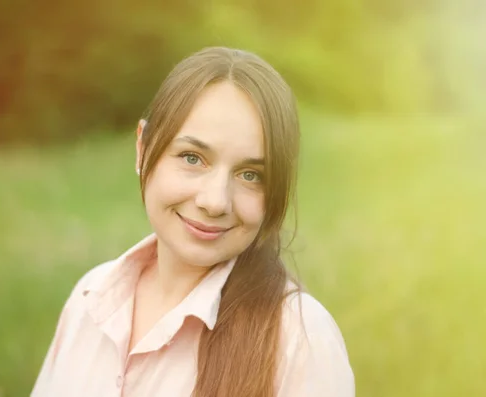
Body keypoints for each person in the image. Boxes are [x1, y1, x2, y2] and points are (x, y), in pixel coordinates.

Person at [31, 47, 354, 397]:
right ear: (143, 148)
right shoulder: (90, 297)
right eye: (192, 158)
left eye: (250, 175)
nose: (215, 201)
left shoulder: (300, 340)